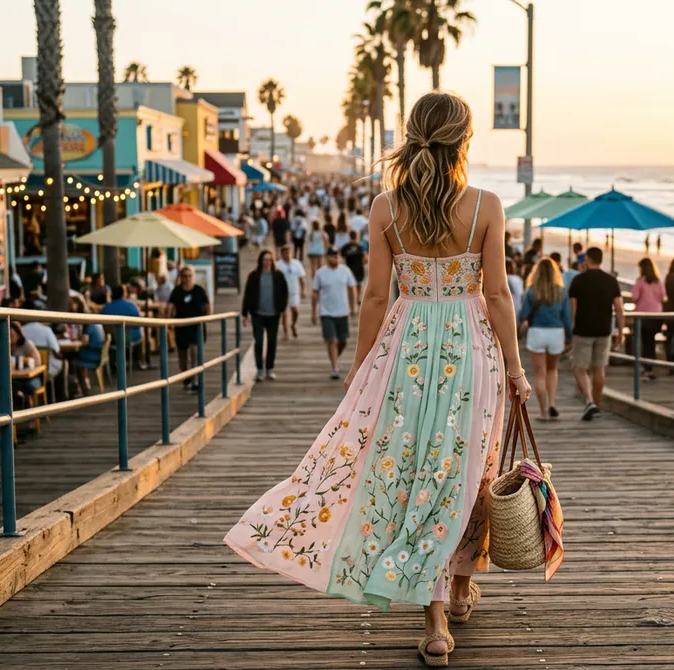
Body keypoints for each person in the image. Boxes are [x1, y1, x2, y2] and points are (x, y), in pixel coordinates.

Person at [226, 91, 531, 668]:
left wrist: (362, 366)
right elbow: (495, 295)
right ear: (464, 141)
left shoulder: (386, 208)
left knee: (416, 473)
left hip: (407, 350)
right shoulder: (487, 205)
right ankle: (457, 590)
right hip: (471, 350)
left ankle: (440, 615)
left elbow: (374, 296)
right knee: (468, 469)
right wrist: (516, 368)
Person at [568, 246, 623, 421]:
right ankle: (596, 404)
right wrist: (620, 331)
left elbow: (573, 310)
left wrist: (571, 329)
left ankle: (589, 401)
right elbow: (619, 309)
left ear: (588, 259)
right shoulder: (611, 281)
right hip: (604, 329)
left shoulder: (578, 280)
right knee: (599, 368)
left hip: (583, 330)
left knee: (579, 368)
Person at [519, 257, 572, 420]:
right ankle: (552, 404)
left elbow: (523, 315)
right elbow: (567, 317)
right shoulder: (561, 291)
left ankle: (543, 412)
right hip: (556, 333)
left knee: (539, 373)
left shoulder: (531, 291)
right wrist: (569, 338)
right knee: (552, 370)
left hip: (537, 333)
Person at [312, 247, 357, 380]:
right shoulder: (320, 273)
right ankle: (335, 367)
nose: (335, 258)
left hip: (343, 311)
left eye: (337, 255)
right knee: (331, 340)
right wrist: (314, 311)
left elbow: (352, 288)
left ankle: (335, 357)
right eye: (332, 256)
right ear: (327, 257)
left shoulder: (345, 271)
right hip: (326, 312)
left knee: (342, 340)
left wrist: (353, 306)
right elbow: (315, 292)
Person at [243, 250, 289, 381]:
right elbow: (248, 294)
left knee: (272, 341)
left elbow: (284, 292)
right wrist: (245, 313)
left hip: (273, 314)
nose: (267, 262)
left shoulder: (278, 275)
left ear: (272, 261)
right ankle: (259, 370)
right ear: (260, 261)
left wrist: (282, 308)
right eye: (264, 259)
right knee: (259, 341)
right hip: (257, 313)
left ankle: (269, 368)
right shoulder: (254, 276)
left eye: (269, 260)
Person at [165, 264, 211, 392]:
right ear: (181, 277)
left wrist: (206, 318)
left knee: (195, 353)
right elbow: (170, 306)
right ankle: (186, 379)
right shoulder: (177, 291)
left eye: (190, 276)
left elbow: (207, 305)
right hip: (181, 327)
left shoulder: (199, 290)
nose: (187, 278)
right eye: (184, 276)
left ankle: (195, 381)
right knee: (183, 357)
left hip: (196, 327)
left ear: (193, 276)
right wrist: (168, 321)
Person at [632, 258, 666, 381]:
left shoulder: (640, 281)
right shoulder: (659, 281)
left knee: (644, 342)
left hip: (643, 316)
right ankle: (649, 366)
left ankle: (646, 367)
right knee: (650, 342)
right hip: (656, 316)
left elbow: (634, 297)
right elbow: (663, 297)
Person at [100, 284, 143, 372]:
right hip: (128, 338)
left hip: (112, 339)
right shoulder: (131, 306)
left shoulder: (106, 308)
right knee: (141, 333)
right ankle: (137, 361)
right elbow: (138, 324)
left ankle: (113, 363)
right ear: (123, 294)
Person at [276, 245, 306, 340]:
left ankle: (293, 324)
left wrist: (303, 290)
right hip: (282, 293)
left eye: (289, 253)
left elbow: (301, 278)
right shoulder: (278, 265)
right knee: (284, 314)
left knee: (295, 310)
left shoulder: (296, 264)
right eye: (285, 253)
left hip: (294, 291)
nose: (287, 255)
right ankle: (286, 334)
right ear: (281, 254)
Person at [341, 229, 367, 304]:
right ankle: (357, 298)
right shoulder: (360, 247)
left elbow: (341, 257)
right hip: (357, 269)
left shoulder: (346, 247)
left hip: (351, 269)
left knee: (353, 285)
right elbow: (365, 259)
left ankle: (354, 298)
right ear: (357, 237)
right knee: (357, 284)